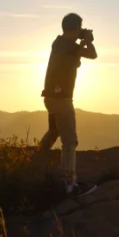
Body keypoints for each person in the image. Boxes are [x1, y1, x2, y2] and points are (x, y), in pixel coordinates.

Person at [39, 12, 98, 197]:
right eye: (80, 28)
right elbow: (93, 55)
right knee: (70, 142)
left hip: (50, 97)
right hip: (62, 99)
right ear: (76, 28)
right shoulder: (69, 45)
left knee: (54, 131)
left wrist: (81, 40)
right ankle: (69, 185)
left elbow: (73, 56)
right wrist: (88, 40)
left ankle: (37, 160)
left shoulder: (59, 43)